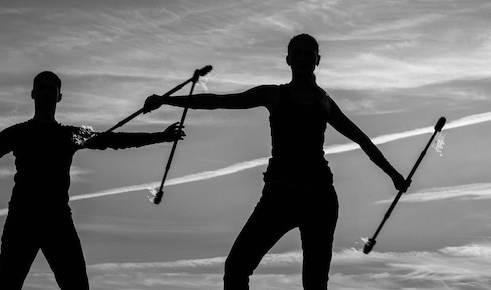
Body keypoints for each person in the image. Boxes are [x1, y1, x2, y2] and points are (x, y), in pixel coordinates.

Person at [144, 34, 410, 290]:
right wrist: (166, 100)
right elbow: (220, 101)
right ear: (288, 60)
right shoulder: (273, 95)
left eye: (309, 53)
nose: (303, 58)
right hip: (279, 195)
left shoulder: (325, 103)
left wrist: (394, 175)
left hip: (319, 198)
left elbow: (362, 140)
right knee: (236, 268)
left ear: (318, 60)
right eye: (298, 53)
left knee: (315, 284)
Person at [0, 71, 185, 290]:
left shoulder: (71, 134)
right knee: (7, 285)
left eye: (51, 89)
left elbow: (114, 140)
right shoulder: (18, 133)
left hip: (58, 219)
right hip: (23, 219)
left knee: (77, 286)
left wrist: (160, 136)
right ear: (32, 95)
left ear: (59, 96)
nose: (45, 93)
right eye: (40, 88)